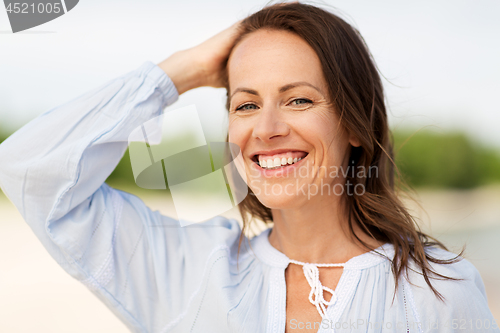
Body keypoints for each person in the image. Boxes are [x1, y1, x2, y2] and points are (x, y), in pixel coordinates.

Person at [0, 3, 497, 333]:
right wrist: (182, 70)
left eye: (299, 100)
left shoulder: (439, 294)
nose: (267, 129)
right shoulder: (188, 268)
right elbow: (29, 168)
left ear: (354, 124)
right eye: (245, 105)